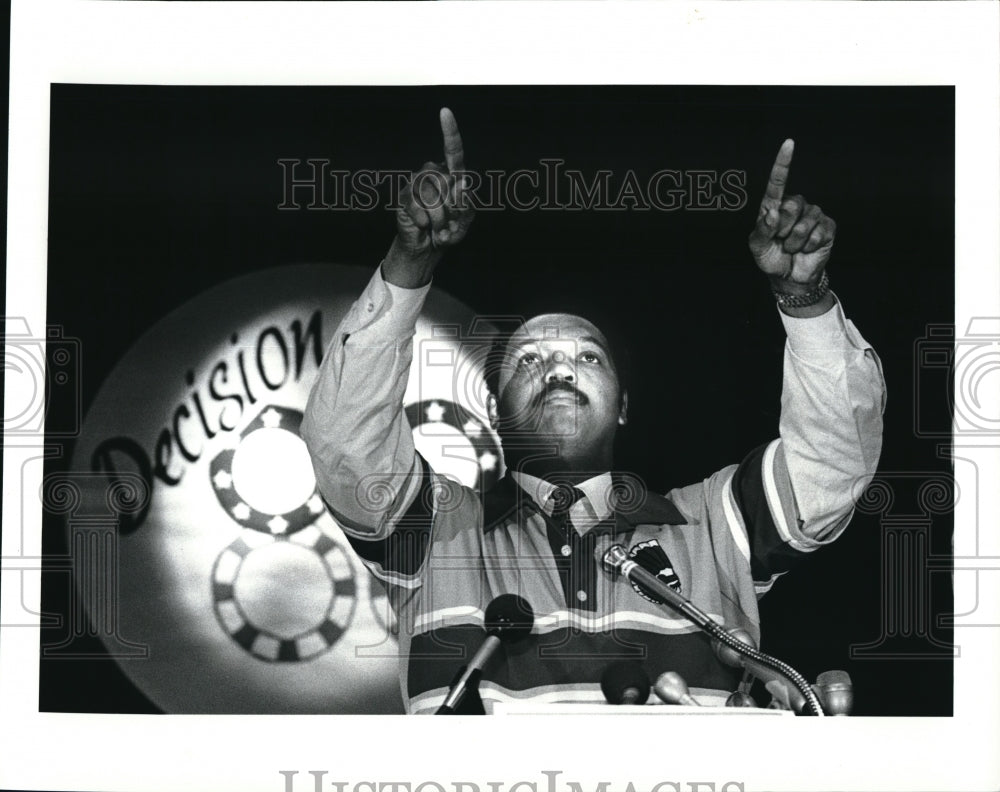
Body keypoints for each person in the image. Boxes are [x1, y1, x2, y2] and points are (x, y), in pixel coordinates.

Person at [301, 108, 886, 714]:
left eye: (587, 357)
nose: (559, 369)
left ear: (624, 406)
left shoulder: (714, 523)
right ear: (494, 411)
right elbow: (344, 440)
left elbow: (832, 466)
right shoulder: (437, 530)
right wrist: (409, 264)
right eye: (528, 361)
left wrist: (805, 297)